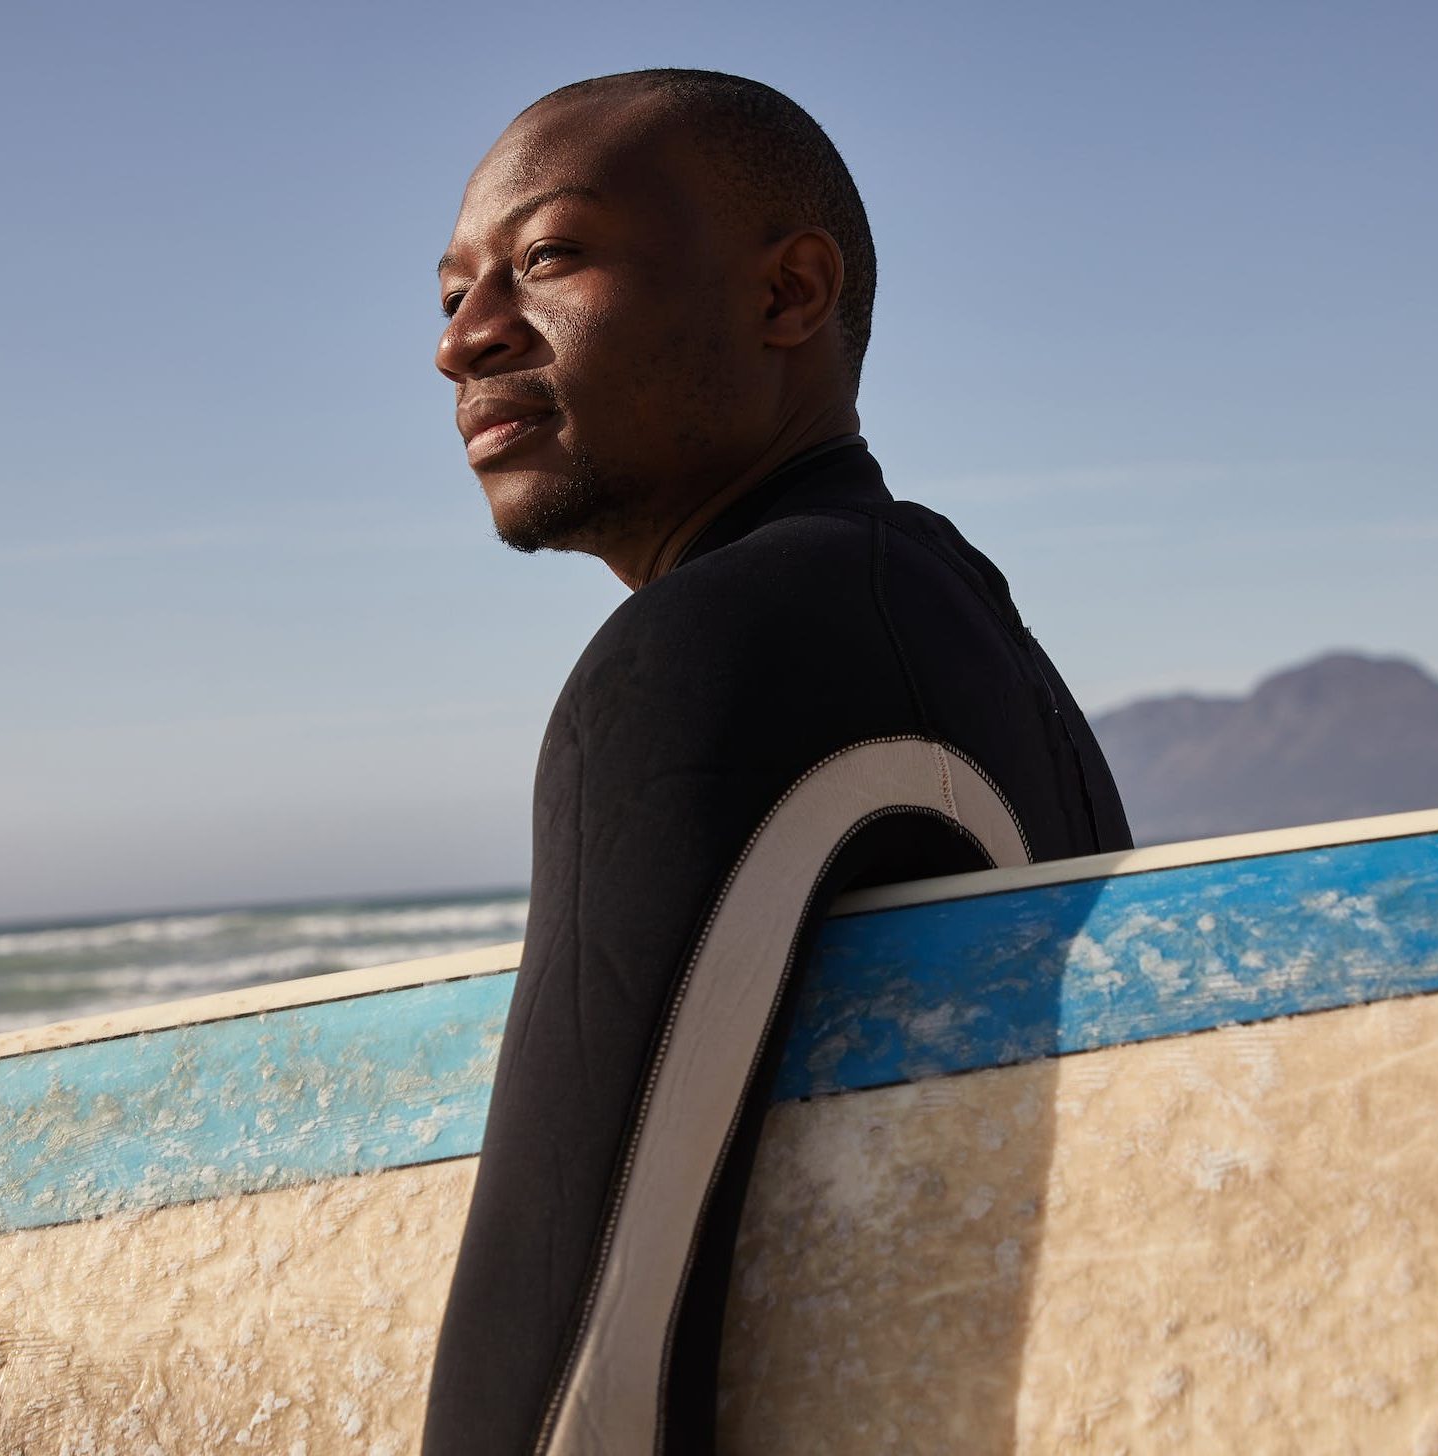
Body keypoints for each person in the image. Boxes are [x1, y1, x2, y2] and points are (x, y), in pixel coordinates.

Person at [424, 69, 1131, 1456]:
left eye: (548, 257)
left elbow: (572, 1384)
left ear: (788, 295)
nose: (466, 342)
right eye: (450, 295)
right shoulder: (947, 622)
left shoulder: (710, 658)